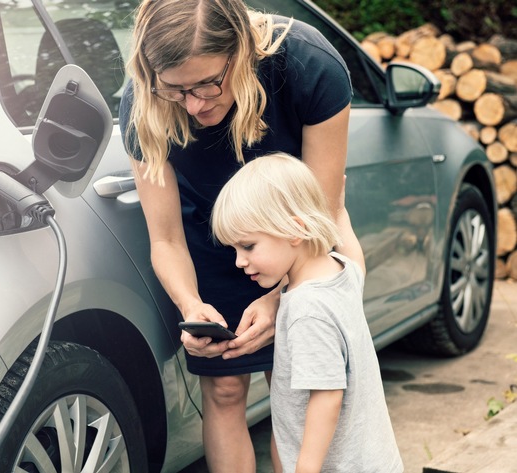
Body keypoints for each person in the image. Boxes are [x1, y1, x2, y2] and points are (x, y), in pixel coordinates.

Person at [118, 0, 352, 471]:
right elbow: (165, 241)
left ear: (241, 52)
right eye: (177, 90)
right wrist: (190, 307)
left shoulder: (310, 66)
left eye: (208, 84)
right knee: (223, 389)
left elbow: (322, 217)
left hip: (299, 243)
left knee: (295, 394)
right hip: (208, 240)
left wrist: (281, 299)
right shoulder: (143, 102)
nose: (195, 105)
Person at [210, 152, 404, 472]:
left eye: (247, 246)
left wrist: (305, 469)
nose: (239, 262)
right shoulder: (340, 272)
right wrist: (339, 211)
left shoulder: (306, 309)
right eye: (233, 250)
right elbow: (357, 259)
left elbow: (327, 396)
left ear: (295, 230)